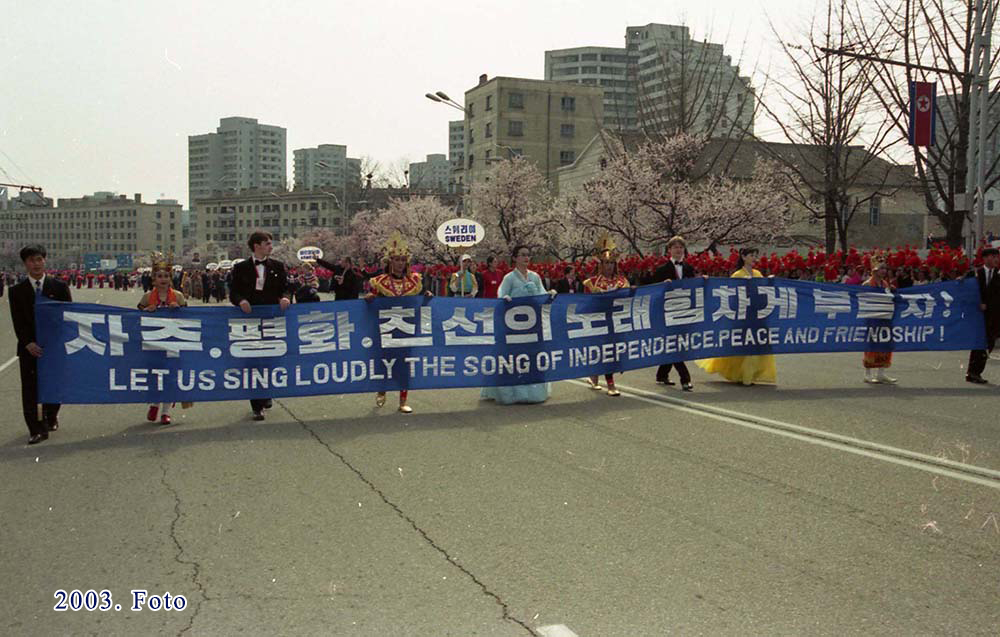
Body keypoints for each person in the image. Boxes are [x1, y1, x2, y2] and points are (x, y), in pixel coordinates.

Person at [9, 245, 72, 444]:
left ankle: (51, 415)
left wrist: (57, 342)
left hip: (54, 348)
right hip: (29, 348)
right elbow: (17, 320)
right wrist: (27, 343)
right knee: (30, 388)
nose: (35, 264)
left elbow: (67, 317)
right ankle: (35, 428)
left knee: (54, 383)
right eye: (31, 261)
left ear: (45, 260)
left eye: (38, 259)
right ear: (25, 264)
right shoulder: (16, 291)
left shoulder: (59, 287)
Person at [364, 231, 433, 413]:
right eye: (396, 260)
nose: (400, 263)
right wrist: (371, 297)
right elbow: (373, 300)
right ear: (390, 262)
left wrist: (426, 296)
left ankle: (403, 401)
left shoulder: (415, 281)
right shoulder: (380, 281)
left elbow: (419, 299)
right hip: (386, 328)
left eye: (403, 260)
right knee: (384, 361)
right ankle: (381, 389)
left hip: (406, 328)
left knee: (405, 363)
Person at [481, 244, 556, 405]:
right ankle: (511, 392)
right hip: (513, 325)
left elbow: (541, 294)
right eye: (522, 255)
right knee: (513, 355)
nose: (526, 258)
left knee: (531, 355)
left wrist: (550, 295)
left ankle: (533, 391)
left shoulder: (535, 277)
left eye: (528, 255)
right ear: (515, 258)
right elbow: (501, 293)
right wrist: (506, 298)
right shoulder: (509, 277)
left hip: (532, 323)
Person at [230, 231, 293, 420]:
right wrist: (240, 301)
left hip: (272, 318)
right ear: (256, 246)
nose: (270, 247)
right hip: (249, 319)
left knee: (270, 357)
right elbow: (234, 292)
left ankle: (266, 391)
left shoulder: (278, 266)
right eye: (267, 243)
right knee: (253, 359)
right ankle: (256, 404)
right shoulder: (241, 268)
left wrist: (286, 298)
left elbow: (287, 287)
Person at [696, 247, 777, 386]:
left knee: (757, 343)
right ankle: (744, 374)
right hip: (743, 315)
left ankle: (751, 373)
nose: (754, 258)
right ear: (744, 257)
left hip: (757, 314)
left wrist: (769, 281)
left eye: (755, 255)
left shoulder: (758, 273)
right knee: (744, 345)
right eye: (751, 255)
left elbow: (764, 291)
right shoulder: (737, 275)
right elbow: (731, 295)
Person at [138, 254, 191, 424]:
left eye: (166, 276)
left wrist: (178, 310)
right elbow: (135, 319)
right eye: (159, 276)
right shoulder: (147, 298)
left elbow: (190, 320)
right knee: (155, 375)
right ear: (153, 279)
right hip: (153, 343)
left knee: (171, 376)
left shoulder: (178, 296)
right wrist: (146, 312)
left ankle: (166, 412)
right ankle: (154, 403)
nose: (163, 279)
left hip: (173, 342)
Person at [582, 235, 629, 396]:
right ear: (601, 264)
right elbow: (585, 303)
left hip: (616, 321)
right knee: (600, 352)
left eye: (611, 263)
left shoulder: (622, 281)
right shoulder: (592, 282)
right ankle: (605, 381)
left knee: (613, 352)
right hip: (599, 322)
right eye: (606, 263)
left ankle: (601, 378)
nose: (609, 266)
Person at [653, 235, 696, 391]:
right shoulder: (661, 270)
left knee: (674, 344)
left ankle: (662, 374)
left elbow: (694, 288)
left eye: (681, 247)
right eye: (675, 247)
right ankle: (685, 378)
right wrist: (661, 285)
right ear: (669, 250)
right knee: (676, 345)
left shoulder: (689, 268)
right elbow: (651, 289)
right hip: (667, 313)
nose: (678, 250)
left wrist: (704, 281)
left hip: (684, 311)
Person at [966, 247, 1000, 384]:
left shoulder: (999, 275)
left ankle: (975, 372)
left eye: (997, 257)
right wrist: (978, 303)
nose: (996, 259)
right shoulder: (974, 274)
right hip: (977, 316)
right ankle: (973, 372)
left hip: (994, 317)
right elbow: (966, 292)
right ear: (985, 259)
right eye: (993, 256)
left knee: (988, 344)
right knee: (979, 343)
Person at [862, 258, 898, 384]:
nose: (884, 271)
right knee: (871, 345)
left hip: (884, 318)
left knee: (885, 344)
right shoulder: (867, 284)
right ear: (874, 270)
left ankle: (881, 373)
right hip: (872, 318)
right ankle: (867, 374)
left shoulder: (886, 284)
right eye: (881, 268)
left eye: (885, 268)